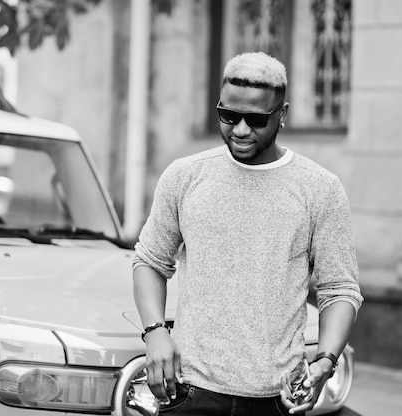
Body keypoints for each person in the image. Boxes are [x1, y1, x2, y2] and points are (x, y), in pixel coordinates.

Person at [132, 51, 363, 416]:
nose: (240, 130)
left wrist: (325, 361)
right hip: (190, 392)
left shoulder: (320, 188)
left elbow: (340, 288)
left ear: (282, 114)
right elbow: (150, 261)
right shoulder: (185, 176)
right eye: (228, 116)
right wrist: (155, 331)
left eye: (256, 119)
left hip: (278, 398)